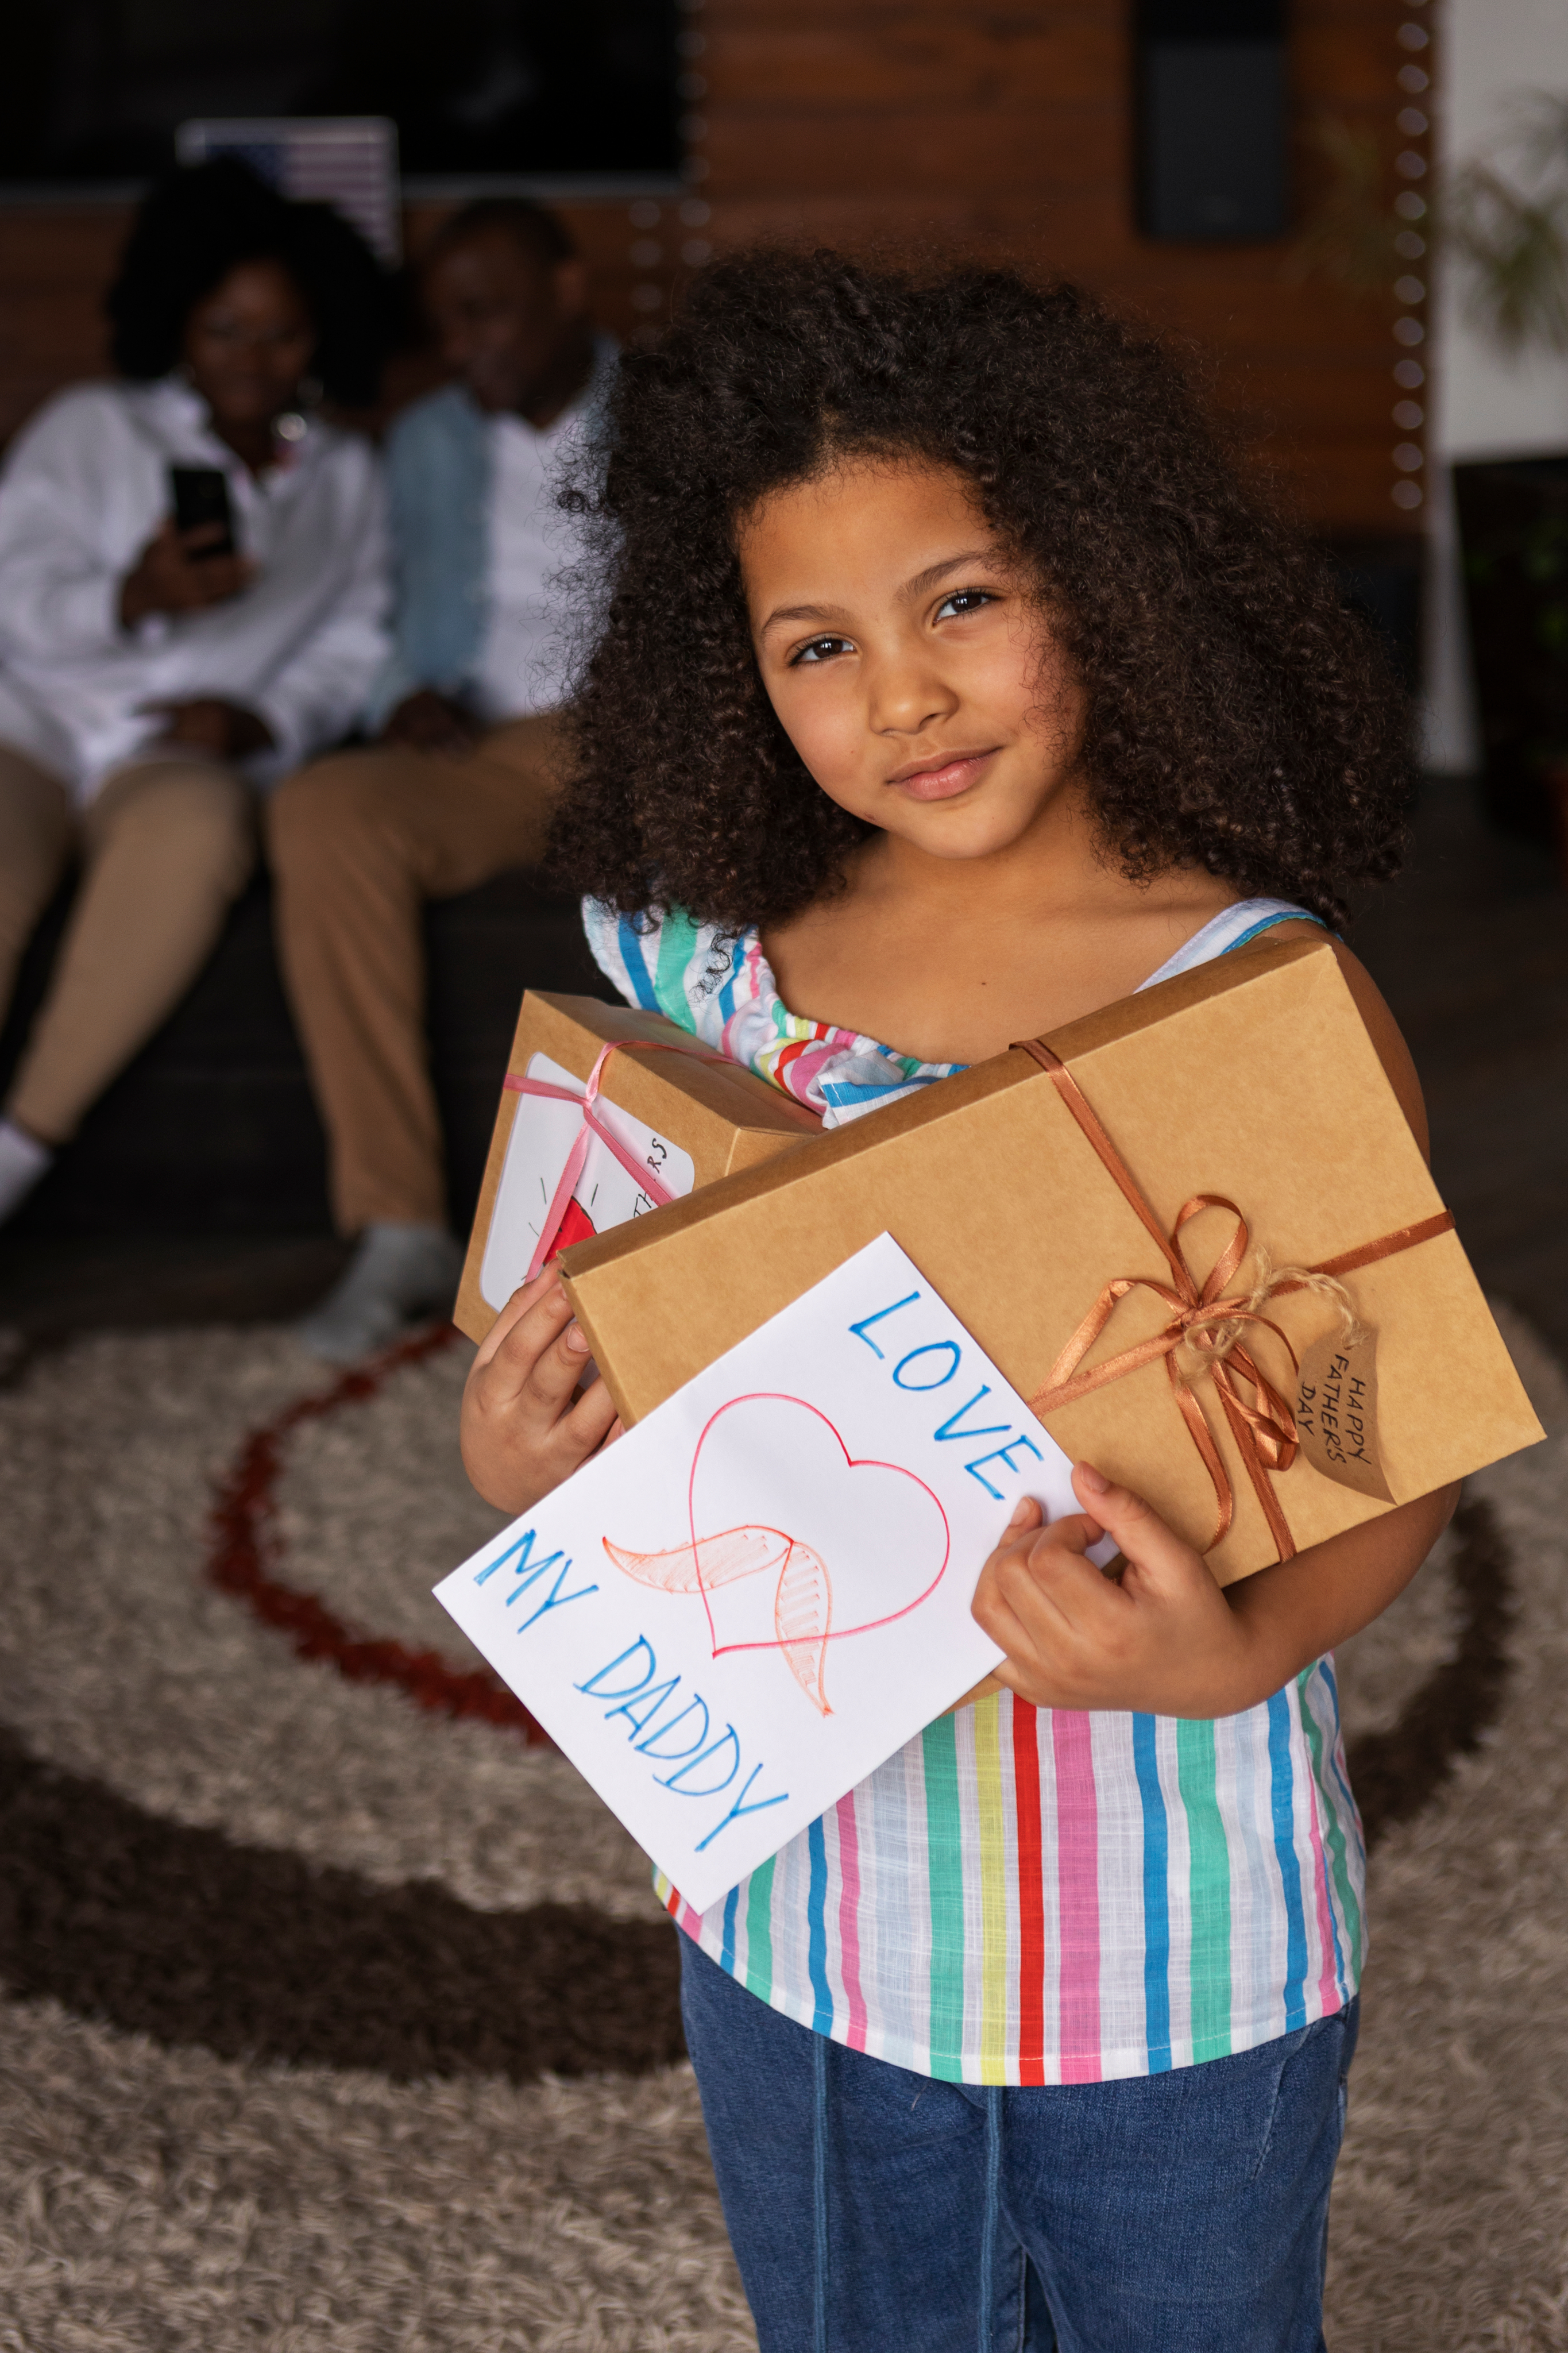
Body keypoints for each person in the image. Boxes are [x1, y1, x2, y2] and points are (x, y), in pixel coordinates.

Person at [457, 253, 1455, 2351]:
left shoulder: (1251, 998)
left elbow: (1386, 1440)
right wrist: (528, 1446)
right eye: (817, 643)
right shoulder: (709, 969)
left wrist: (1237, 1648)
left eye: (962, 600)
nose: (899, 692)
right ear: (736, 673)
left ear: (1101, 573)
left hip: (1181, 1953)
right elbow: (617, 1334)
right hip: (796, 1938)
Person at [0, 159, 391, 1227]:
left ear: (325, 335)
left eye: (283, 336)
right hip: (33, 721)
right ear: (176, 323)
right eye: (225, 331)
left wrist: (263, 720)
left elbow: (355, 643)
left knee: (200, 831)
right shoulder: (93, 430)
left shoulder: (344, 478)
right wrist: (127, 597)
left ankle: (14, 1160)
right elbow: (11, 590)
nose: (254, 364)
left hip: (175, 753)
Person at [268, 198, 617, 1361]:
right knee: (323, 806)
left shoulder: (676, 410)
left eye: (491, 312)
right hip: (486, 752)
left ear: (568, 288)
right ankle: (399, 1224)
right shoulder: (426, 439)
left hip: (637, 743)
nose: (468, 347)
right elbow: (394, 619)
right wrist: (402, 695)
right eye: (447, 326)